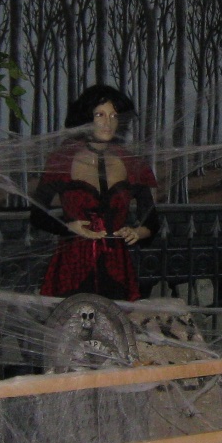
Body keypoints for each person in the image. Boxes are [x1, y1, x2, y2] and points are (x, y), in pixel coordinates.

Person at [32, 84, 159, 300]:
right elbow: (37, 214)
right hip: (72, 265)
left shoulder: (132, 164)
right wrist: (67, 226)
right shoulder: (63, 160)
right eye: (100, 114)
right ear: (86, 118)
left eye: (114, 116)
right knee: (73, 318)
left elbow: (152, 220)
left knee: (114, 319)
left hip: (117, 266)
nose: (108, 122)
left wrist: (138, 232)